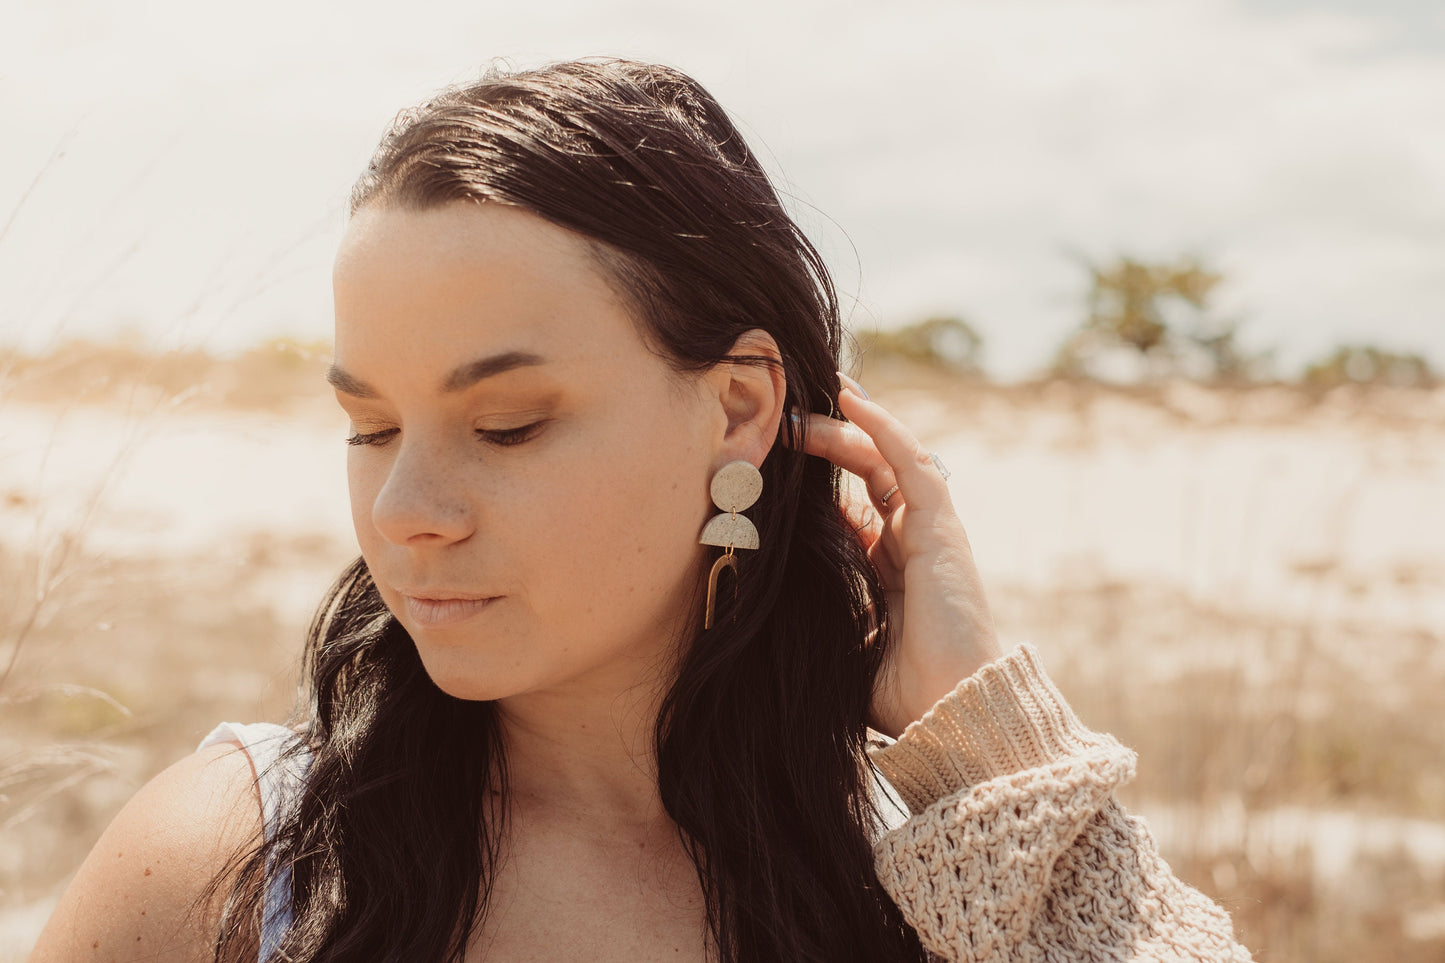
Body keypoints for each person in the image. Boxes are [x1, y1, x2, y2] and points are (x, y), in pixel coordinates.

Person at [30, 58, 1254, 962]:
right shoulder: (239, 870)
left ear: (734, 409)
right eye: (371, 426)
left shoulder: (940, 873)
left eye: (507, 425)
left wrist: (996, 755)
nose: (404, 511)